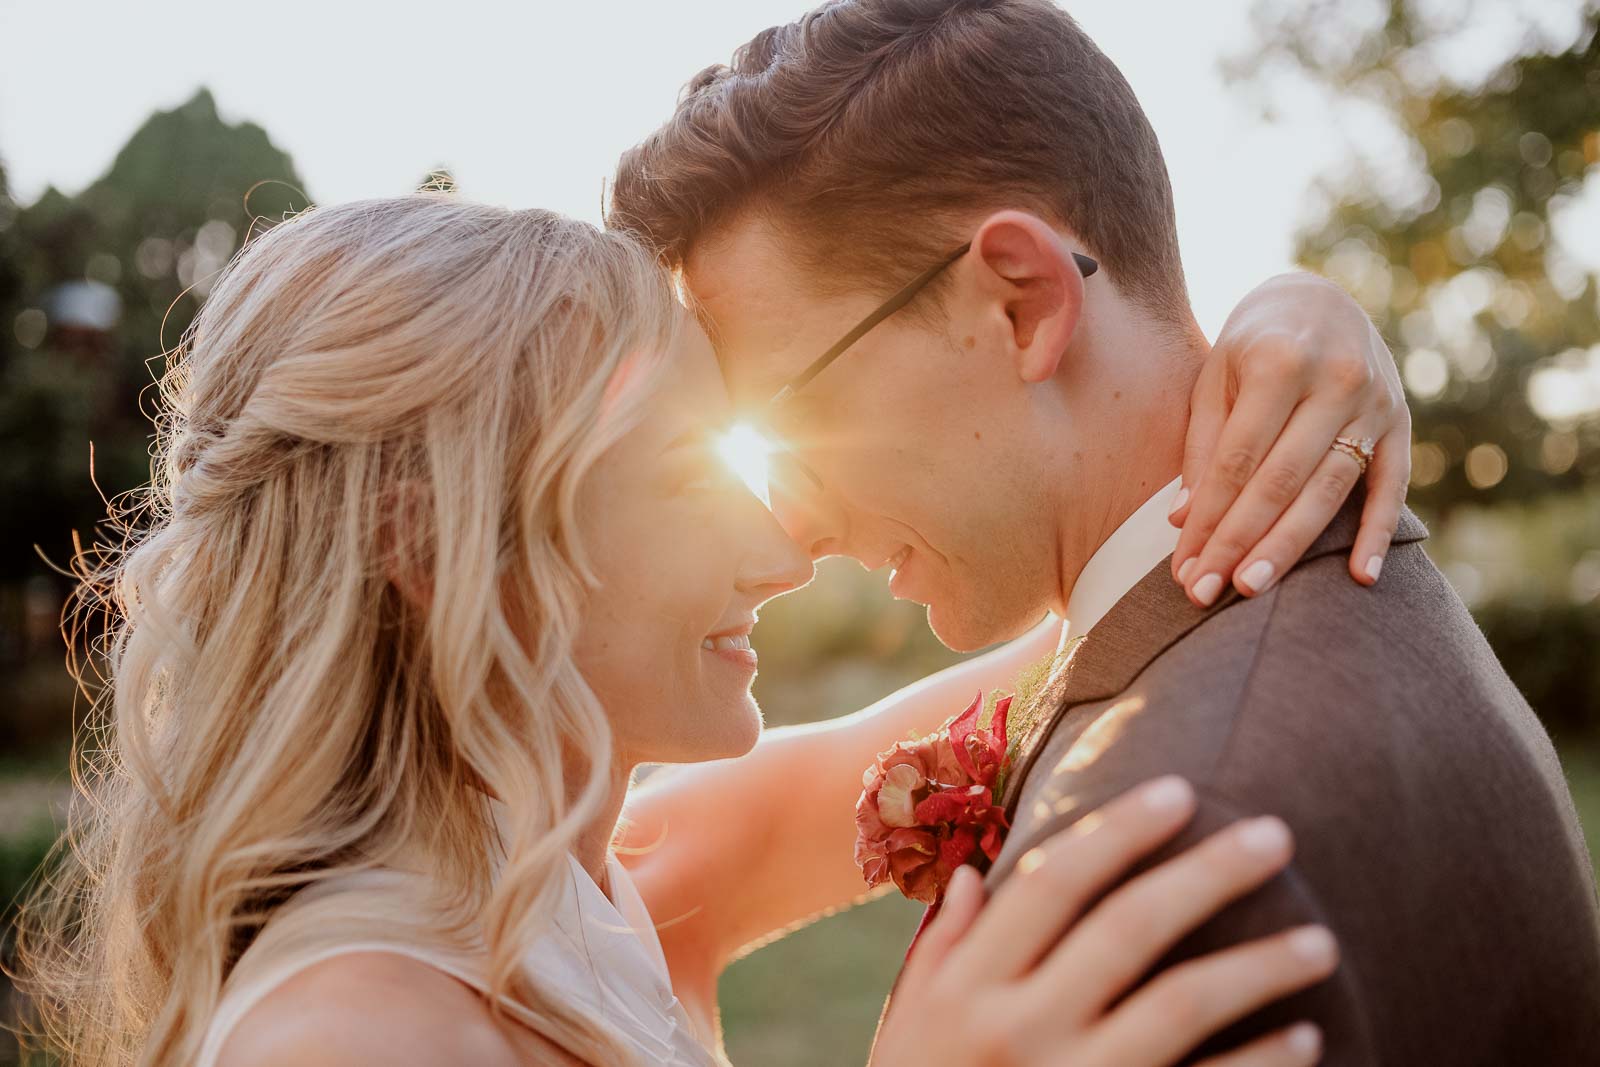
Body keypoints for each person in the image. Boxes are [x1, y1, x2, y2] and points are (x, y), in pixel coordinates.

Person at [13, 196, 1369, 1067]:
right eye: (680, 478)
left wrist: (1294, 340)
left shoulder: (629, 878)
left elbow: (1152, 568)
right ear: (430, 545)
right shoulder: (349, 1040)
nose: (781, 551)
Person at [606, 1, 1600, 1063]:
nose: (791, 531)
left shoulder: (1178, 855)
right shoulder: (1278, 609)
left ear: (1022, 304)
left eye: (791, 417)